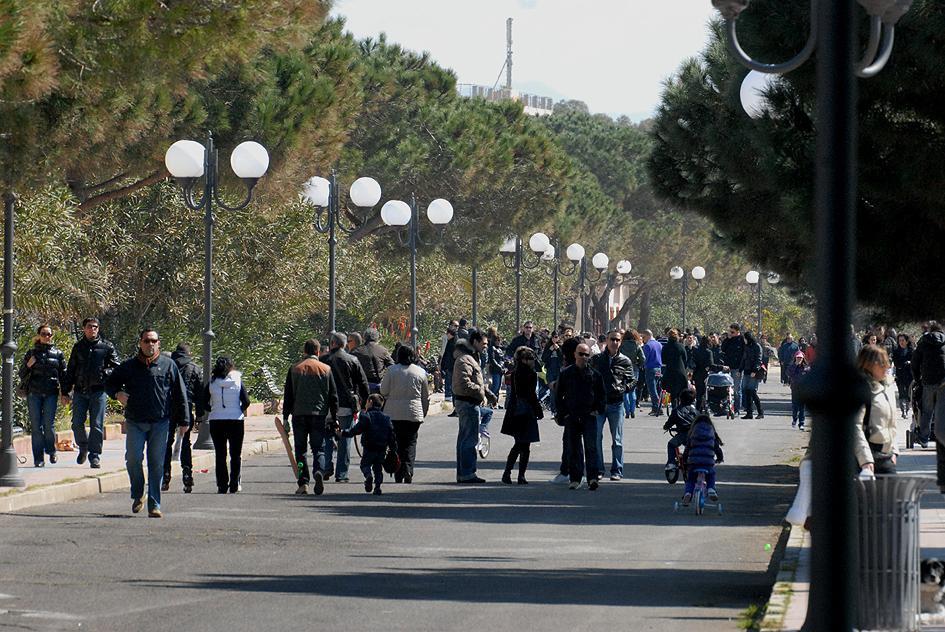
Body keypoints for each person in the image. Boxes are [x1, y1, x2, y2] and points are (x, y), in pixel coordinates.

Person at [106, 328, 188, 518]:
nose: (150, 344)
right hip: (135, 421)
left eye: (153, 341)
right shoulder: (129, 366)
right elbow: (109, 383)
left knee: (156, 463)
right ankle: (138, 492)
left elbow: (179, 394)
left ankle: (155, 504)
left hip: (160, 422)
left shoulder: (169, 365)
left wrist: (184, 420)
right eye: (146, 341)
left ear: (159, 343)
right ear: (140, 343)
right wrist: (117, 394)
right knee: (133, 459)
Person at [61, 317, 121, 468]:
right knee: (76, 424)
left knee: (96, 425)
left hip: (98, 392)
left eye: (95, 327)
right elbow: (71, 370)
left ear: (98, 329)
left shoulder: (107, 347)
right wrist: (65, 391)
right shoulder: (78, 347)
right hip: (80, 392)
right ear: (84, 329)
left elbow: (116, 367)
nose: (92, 329)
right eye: (89, 326)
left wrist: (104, 373)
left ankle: (95, 456)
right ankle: (83, 446)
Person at [283, 339, 338, 496]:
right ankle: (319, 471)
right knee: (318, 448)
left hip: (299, 415)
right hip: (318, 415)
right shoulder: (326, 369)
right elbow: (333, 396)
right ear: (318, 352)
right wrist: (334, 417)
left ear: (304, 351)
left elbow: (288, 395)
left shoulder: (295, 369)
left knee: (300, 451)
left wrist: (285, 416)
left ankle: (303, 482)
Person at [555, 342, 606, 491]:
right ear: (575, 355)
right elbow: (559, 395)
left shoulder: (595, 375)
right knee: (574, 448)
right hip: (572, 416)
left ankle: (592, 478)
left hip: (589, 416)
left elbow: (601, 395)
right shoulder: (566, 373)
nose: (583, 357)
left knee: (591, 448)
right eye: (581, 354)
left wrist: (597, 409)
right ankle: (575, 479)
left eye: (586, 354)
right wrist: (562, 413)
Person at [321, 331, 370, 483]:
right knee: (345, 437)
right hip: (346, 405)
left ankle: (326, 466)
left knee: (327, 436)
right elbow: (362, 384)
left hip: (327, 405)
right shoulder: (352, 360)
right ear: (344, 344)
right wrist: (364, 403)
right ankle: (341, 474)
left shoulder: (323, 360)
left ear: (333, 344)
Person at [452, 328, 497, 483]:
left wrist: (489, 394)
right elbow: (464, 384)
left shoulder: (471, 358)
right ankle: (467, 474)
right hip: (468, 403)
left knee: (466, 439)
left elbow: (477, 381)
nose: (485, 346)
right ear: (475, 342)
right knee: (469, 440)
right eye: (483, 343)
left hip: (470, 402)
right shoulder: (465, 359)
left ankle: (465, 473)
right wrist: (481, 393)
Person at [380, 344, 429, 483]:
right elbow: (425, 396)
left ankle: (398, 471)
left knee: (396, 442)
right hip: (414, 413)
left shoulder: (391, 370)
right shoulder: (420, 372)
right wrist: (423, 412)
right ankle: (408, 469)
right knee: (410, 443)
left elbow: (383, 391)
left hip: (393, 413)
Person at [19, 324, 66, 467]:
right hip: (34, 393)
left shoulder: (58, 354)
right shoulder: (31, 353)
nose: (47, 337)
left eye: (49, 334)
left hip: (51, 393)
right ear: (38, 335)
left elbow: (64, 375)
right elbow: (21, 374)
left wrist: (65, 393)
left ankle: (51, 451)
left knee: (48, 424)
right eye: (44, 334)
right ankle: (38, 459)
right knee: (36, 427)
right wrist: (28, 365)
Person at [203, 356, 250, 493]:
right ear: (231, 367)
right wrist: (238, 410)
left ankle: (222, 485)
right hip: (235, 420)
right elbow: (246, 401)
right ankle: (235, 484)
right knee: (236, 454)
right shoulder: (237, 380)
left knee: (220, 453)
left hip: (216, 421)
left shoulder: (212, 382)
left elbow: (204, 401)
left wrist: (212, 409)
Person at [592, 330, 634, 481]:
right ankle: (598, 469)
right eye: (612, 339)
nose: (614, 342)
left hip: (616, 404)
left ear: (620, 342)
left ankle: (617, 470)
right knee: (596, 438)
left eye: (617, 340)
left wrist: (624, 388)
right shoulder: (597, 359)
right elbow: (590, 377)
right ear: (606, 341)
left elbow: (632, 380)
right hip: (599, 404)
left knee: (617, 439)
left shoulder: (625, 360)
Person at [853, 345, 899, 475]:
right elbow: (855, 426)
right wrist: (865, 460)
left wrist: (894, 452)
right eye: (882, 363)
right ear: (868, 365)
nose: (887, 366)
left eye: (887, 362)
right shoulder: (860, 389)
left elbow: (892, 424)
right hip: (865, 460)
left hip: (886, 458)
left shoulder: (887, 387)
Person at [500, 346, 543, 485]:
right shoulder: (530, 374)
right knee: (524, 445)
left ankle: (508, 472)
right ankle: (520, 475)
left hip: (516, 411)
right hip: (526, 411)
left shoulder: (515, 373)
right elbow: (531, 394)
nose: (532, 361)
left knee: (519, 444)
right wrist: (538, 410)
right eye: (530, 359)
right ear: (524, 360)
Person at [339, 394, 397, 495]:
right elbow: (391, 434)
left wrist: (344, 433)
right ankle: (378, 487)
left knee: (365, 465)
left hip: (369, 447)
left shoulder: (366, 416)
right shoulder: (386, 418)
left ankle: (368, 476)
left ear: (370, 402)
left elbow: (356, 430)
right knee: (378, 468)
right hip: (381, 448)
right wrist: (393, 448)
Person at [163, 343, 201, 493]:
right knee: (186, 442)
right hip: (186, 408)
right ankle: (187, 474)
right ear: (188, 353)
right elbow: (200, 394)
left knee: (167, 442)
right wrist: (199, 415)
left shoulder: (168, 366)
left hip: (169, 409)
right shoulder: (195, 368)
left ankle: (165, 475)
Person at [912, 321, 945, 449]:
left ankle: (924, 439)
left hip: (928, 381)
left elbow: (915, 362)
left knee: (927, 411)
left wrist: (917, 378)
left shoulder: (923, 342)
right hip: (943, 381)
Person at [680, 414, 724, 506]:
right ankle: (711, 488)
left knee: (691, 479)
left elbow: (687, 449)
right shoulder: (712, 433)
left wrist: (684, 460)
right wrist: (720, 458)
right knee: (711, 475)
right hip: (707, 463)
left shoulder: (692, 433)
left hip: (693, 462)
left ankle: (688, 493)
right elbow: (717, 449)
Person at [663, 387, 699, 472]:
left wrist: (666, 427)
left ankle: (671, 463)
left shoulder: (676, 411)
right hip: (695, 435)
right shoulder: (696, 411)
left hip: (683, 434)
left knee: (671, 444)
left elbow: (669, 422)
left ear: (680, 399)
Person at [352, 327, 393, 394]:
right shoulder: (383, 350)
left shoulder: (356, 351)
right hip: (379, 386)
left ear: (364, 338)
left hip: (362, 386)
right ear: (377, 338)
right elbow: (392, 366)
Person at [660, 329, 689, 412]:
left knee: (672, 394)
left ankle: (674, 410)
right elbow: (685, 359)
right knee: (681, 392)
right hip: (680, 372)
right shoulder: (681, 346)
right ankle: (682, 409)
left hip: (670, 373)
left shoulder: (665, 347)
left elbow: (663, 360)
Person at [619, 329, 645, 419]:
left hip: (623, 368)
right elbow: (643, 358)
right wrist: (639, 364)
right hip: (634, 368)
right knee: (632, 391)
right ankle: (632, 411)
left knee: (625, 391)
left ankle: (627, 411)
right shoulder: (637, 345)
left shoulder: (622, 345)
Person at [720, 324, 745, 414]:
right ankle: (725, 407)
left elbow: (744, 355)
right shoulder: (728, 340)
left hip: (737, 368)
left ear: (737, 331)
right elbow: (723, 348)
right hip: (727, 367)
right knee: (724, 388)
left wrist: (740, 369)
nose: (730, 333)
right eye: (730, 332)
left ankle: (737, 408)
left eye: (732, 332)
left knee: (736, 390)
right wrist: (727, 338)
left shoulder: (742, 340)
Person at [740, 330, 765, 419]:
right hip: (746, 371)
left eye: (745, 339)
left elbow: (758, 359)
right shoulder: (746, 346)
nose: (744, 340)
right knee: (746, 392)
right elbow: (744, 359)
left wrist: (754, 370)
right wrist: (740, 369)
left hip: (754, 372)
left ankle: (760, 412)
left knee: (752, 392)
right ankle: (749, 413)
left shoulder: (757, 346)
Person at [892, 333, 915, 419]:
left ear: (907, 341)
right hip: (900, 375)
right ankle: (903, 411)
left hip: (910, 376)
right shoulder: (896, 351)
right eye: (900, 340)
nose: (901, 342)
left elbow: (915, 361)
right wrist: (901, 364)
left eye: (903, 340)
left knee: (909, 394)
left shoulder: (911, 350)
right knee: (902, 393)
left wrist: (910, 363)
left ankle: (907, 408)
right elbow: (896, 362)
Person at [641, 329, 664, 416]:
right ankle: (658, 405)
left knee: (652, 389)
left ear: (647, 336)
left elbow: (644, 358)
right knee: (657, 388)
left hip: (650, 368)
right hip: (659, 368)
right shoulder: (659, 344)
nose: (643, 339)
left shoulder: (648, 345)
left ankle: (656, 407)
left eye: (643, 337)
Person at [787, 351, 810, 429]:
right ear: (795, 358)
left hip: (803, 389)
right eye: (798, 357)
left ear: (803, 358)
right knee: (795, 406)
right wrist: (795, 366)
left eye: (800, 358)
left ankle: (801, 423)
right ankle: (794, 419)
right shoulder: (792, 366)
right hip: (795, 388)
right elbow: (789, 373)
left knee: (802, 407)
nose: (799, 359)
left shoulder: (806, 367)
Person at [487, 327, 506, 400]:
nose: (498, 341)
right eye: (496, 340)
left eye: (499, 340)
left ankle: (495, 402)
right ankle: (490, 400)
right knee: (495, 386)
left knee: (498, 387)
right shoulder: (492, 348)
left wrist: (503, 367)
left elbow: (503, 359)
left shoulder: (499, 348)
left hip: (500, 370)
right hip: (495, 369)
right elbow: (492, 359)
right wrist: (499, 367)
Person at [440, 326, 457, 403]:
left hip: (451, 366)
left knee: (449, 381)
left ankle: (448, 395)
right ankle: (450, 395)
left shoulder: (452, 343)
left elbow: (447, 354)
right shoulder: (454, 341)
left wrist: (443, 364)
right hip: (453, 365)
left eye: (447, 334)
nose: (447, 335)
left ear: (450, 334)